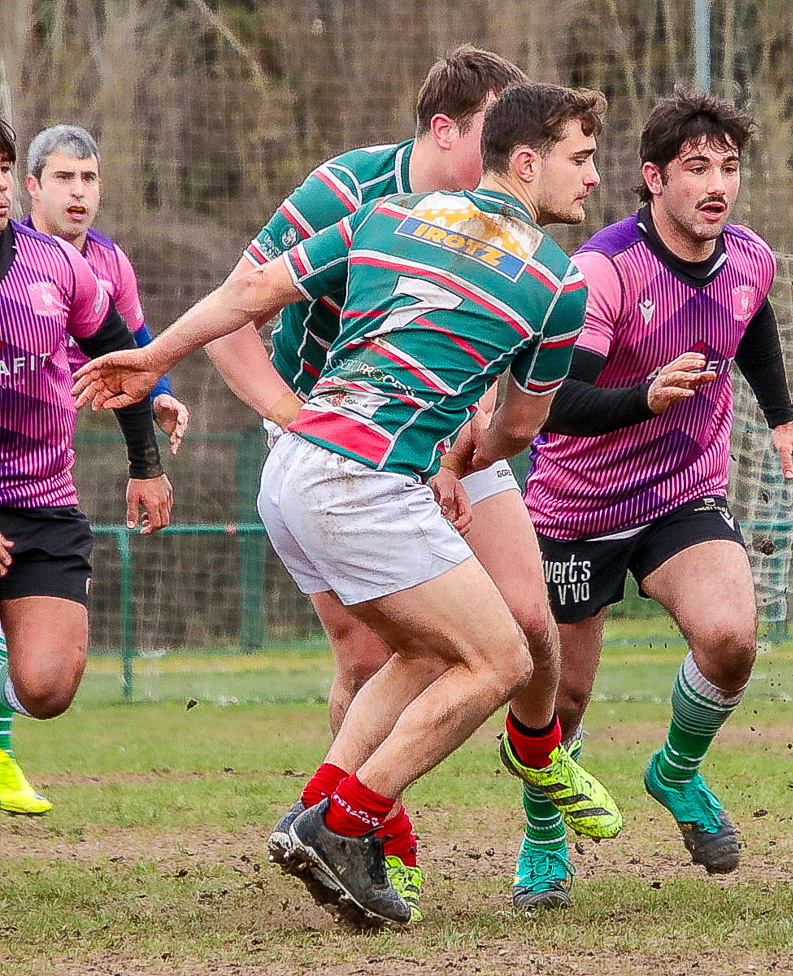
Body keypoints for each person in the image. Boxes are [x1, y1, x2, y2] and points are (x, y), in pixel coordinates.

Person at [75, 82, 610, 929]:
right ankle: (350, 824)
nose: (592, 178)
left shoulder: (386, 216)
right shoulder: (555, 282)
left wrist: (151, 358)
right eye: (581, 158)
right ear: (528, 161)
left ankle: (313, 811)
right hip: (366, 483)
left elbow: (248, 294)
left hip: (294, 473)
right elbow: (519, 426)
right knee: (502, 660)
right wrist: (466, 452)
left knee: (422, 652)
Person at [517, 88, 793, 906]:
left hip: (682, 497)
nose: (716, 184)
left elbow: (749, 318)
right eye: (696, 168)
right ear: (653, 179)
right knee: (565, 697)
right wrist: (645, 397)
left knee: (730, 639)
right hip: (576, 507)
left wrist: (784, 421)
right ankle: (546, 836)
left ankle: (676, 771)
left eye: (728, 167)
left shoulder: (751, 256)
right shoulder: (603, 270)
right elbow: (554, 401)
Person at [0, 115, 172, 816]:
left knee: (48, 687)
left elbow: (121, 354)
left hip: (42, 501)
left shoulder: (59, 265)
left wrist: (146, 464)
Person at [24, 124, 191, 452]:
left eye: (88, 178)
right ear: (33, 185)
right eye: (64, 177)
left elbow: (138, 346)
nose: (78, 191)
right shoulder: (11, 255)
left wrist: (160, 396)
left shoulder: (112, 264)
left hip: (56, 438)